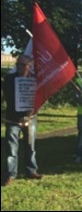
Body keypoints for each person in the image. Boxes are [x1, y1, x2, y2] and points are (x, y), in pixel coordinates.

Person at [3, 55, 42, 186]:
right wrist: (20, 114)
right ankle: (11, 174)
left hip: (30, 118)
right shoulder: (9, 79)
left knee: (30, 146)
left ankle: (31, 170)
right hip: (13, 119)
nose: (19, 67)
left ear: (29, 66)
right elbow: (9, 98)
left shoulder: (36, 80)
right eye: (18, 64)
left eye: (23, 65)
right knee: (11, 148)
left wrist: (33, 110)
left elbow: (40, 98)